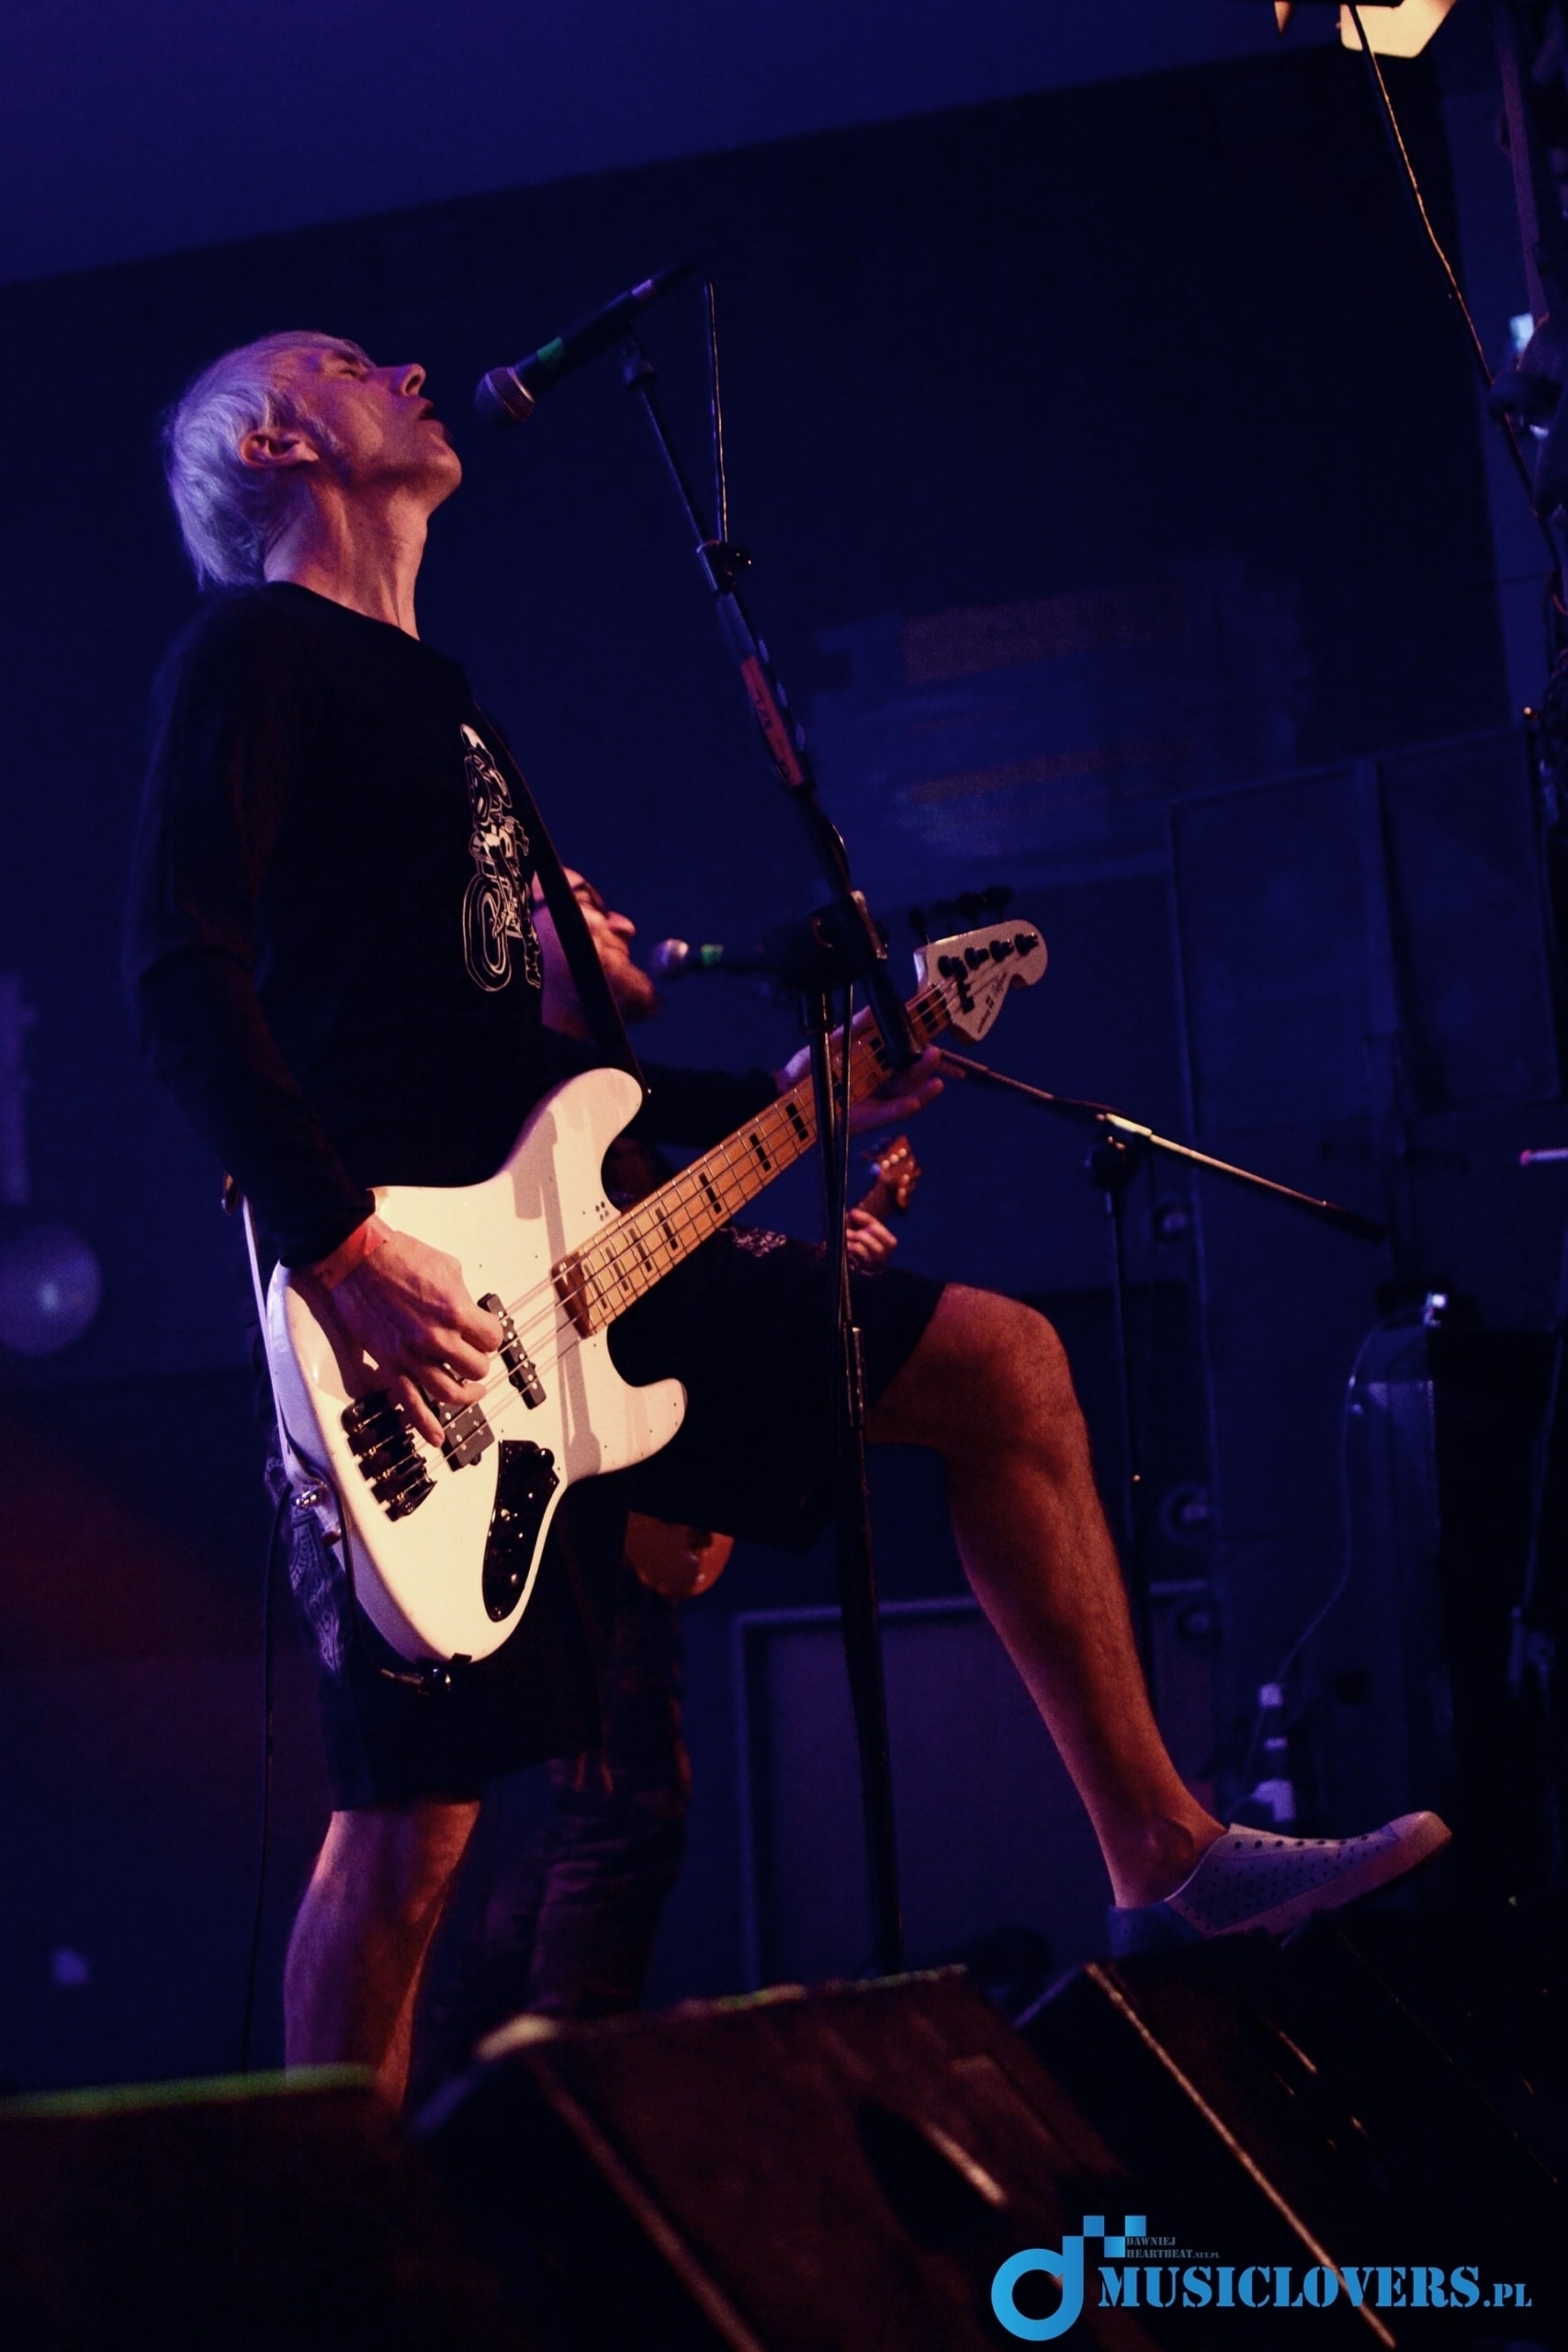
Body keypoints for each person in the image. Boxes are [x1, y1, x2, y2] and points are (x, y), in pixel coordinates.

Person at [127, 331, 1449, 2103]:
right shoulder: (252, 654)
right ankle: (323, 2211)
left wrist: (794, 1099)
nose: (415, 364)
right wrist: (339, 1248)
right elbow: (175, 969)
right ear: (281, 442)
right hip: (400, 1311)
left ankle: (1167, 1860)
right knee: (415, 1828)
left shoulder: (447, 701)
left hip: (563, 1270)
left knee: (1006, 1368)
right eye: (354, 362)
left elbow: (534, 1082)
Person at [410, 869, 902, 2084]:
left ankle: (490, 2080)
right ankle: (555, 2090)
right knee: (611, 1809)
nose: (624, 916)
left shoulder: (618, 1121)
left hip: (605, 1471)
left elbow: (666, 1308)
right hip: (542, 1481)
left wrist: (812, 1271)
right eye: (580, 897)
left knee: (602, 1809)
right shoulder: (494, 1098)